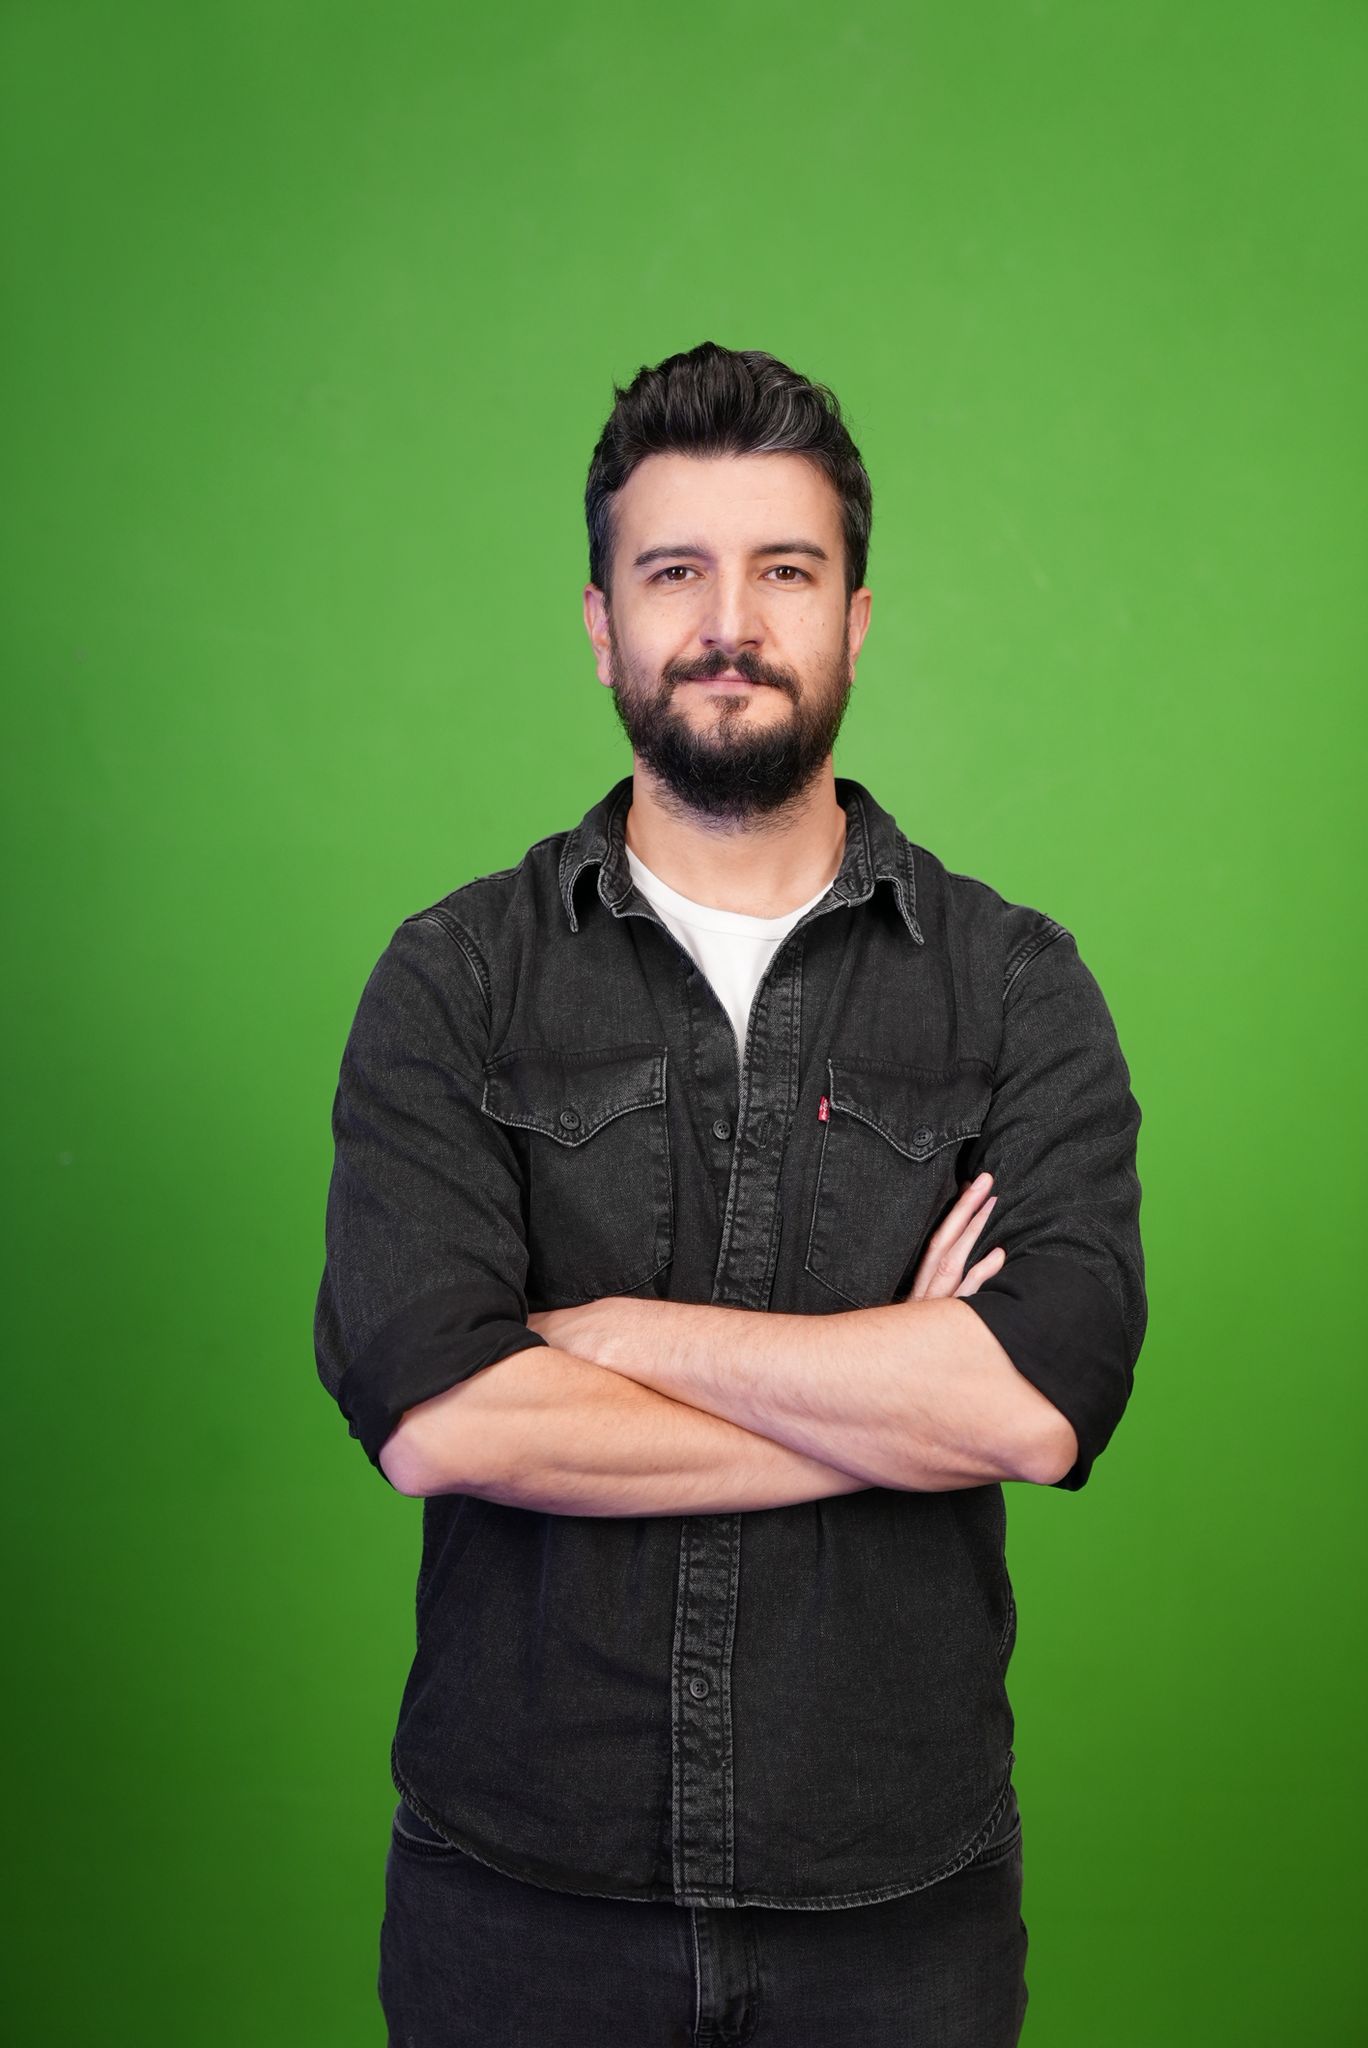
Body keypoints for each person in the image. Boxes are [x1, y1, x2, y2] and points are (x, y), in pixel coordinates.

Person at [313, 341, 1148, 2046]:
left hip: (897, 1914)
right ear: (601, 624)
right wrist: (892, 1403)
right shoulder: (456, 978)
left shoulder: (1011, 984)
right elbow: (441, 1419)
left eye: (784, 570)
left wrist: (612, 1335)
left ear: (855, 617)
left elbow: (1039, 1402)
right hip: (518, 1904)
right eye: (674, 571)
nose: (728, 622)